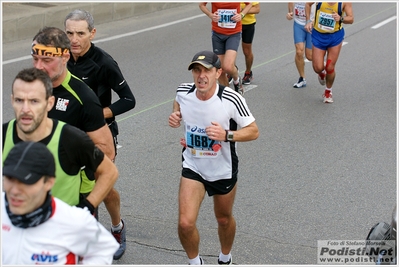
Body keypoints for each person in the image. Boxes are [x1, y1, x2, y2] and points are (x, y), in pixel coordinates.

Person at [30, 26, 125, 260]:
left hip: (74, 193)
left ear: (64, 56)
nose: (39, 66)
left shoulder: (82, 97)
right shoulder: (33, 87)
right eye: (35, 59)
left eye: (46, 59)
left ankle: (117, 228)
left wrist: (85, 196)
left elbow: (107, 151)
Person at [168, 50, 259, 265]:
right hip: (193, 165)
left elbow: (253, 131)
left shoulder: (231, 98)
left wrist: (226, 135)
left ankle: (225, 258)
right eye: (196, 70)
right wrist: (176, 116)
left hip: (222, 169)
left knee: (223, 218)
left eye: (207, 70)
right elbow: (178, 102)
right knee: (185, 223)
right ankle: (195, 262)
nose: (201, 76)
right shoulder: (183, 91)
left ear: (218, 72)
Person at [64, 9, 136, 260]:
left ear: (92, 33)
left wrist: (95, 116)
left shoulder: (103, 62)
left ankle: (117, 227)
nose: (74, 39)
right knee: (70, 185)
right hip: (68, 134)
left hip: (98, 135)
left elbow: (128, 100)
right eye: (69, 33)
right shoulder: (61, 59)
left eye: (80, 33)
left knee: (100, 187)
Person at [3, 67, 118, 217]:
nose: (25, 109)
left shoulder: (70, 138)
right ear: (12, 100)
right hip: (17, 227)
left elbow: (110, 172)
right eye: (19, 100)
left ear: (50, 103)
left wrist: (87, 207)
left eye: (34, 101)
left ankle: (118, 227)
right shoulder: (4, 134)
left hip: (62, 234)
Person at [2, 141, 119, 265]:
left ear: (49, 183)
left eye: (26, 182)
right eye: (10, 179)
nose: (14, 191)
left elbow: (104, 250)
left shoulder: (74, 220)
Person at [199, 2, 253, 95]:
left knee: (227, 66)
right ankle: (227, 95)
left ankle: (236, 80)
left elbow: (249, 4)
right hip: (217, 34)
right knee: (219, 70)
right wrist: (211, 15)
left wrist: (241, 15)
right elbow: (201, 5)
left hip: (233, 33)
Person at [305, 2, 353, 103]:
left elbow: (351, 18)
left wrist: (341, 18)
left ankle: (328, 91)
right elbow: (307, 4)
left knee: (330, 67)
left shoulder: (344, 2)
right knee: (317, 67)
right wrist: (308, 21)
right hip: (319, 35)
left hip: (335, 37)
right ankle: (322, 73)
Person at [286, 2, 315, 88]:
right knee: (299, 51)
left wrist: (312, 22)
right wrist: (290, 12)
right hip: (298, 24)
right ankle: (302, 78)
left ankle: (321, 65)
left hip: (312, 25)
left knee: (309, 56)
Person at [240, 2, 260, 85]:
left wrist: (242, 11)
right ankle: (231, 71)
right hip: (233, 24)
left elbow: (257, 9)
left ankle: (248, 72)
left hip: (248, 24)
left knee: (247, 51)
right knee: (231, 49)